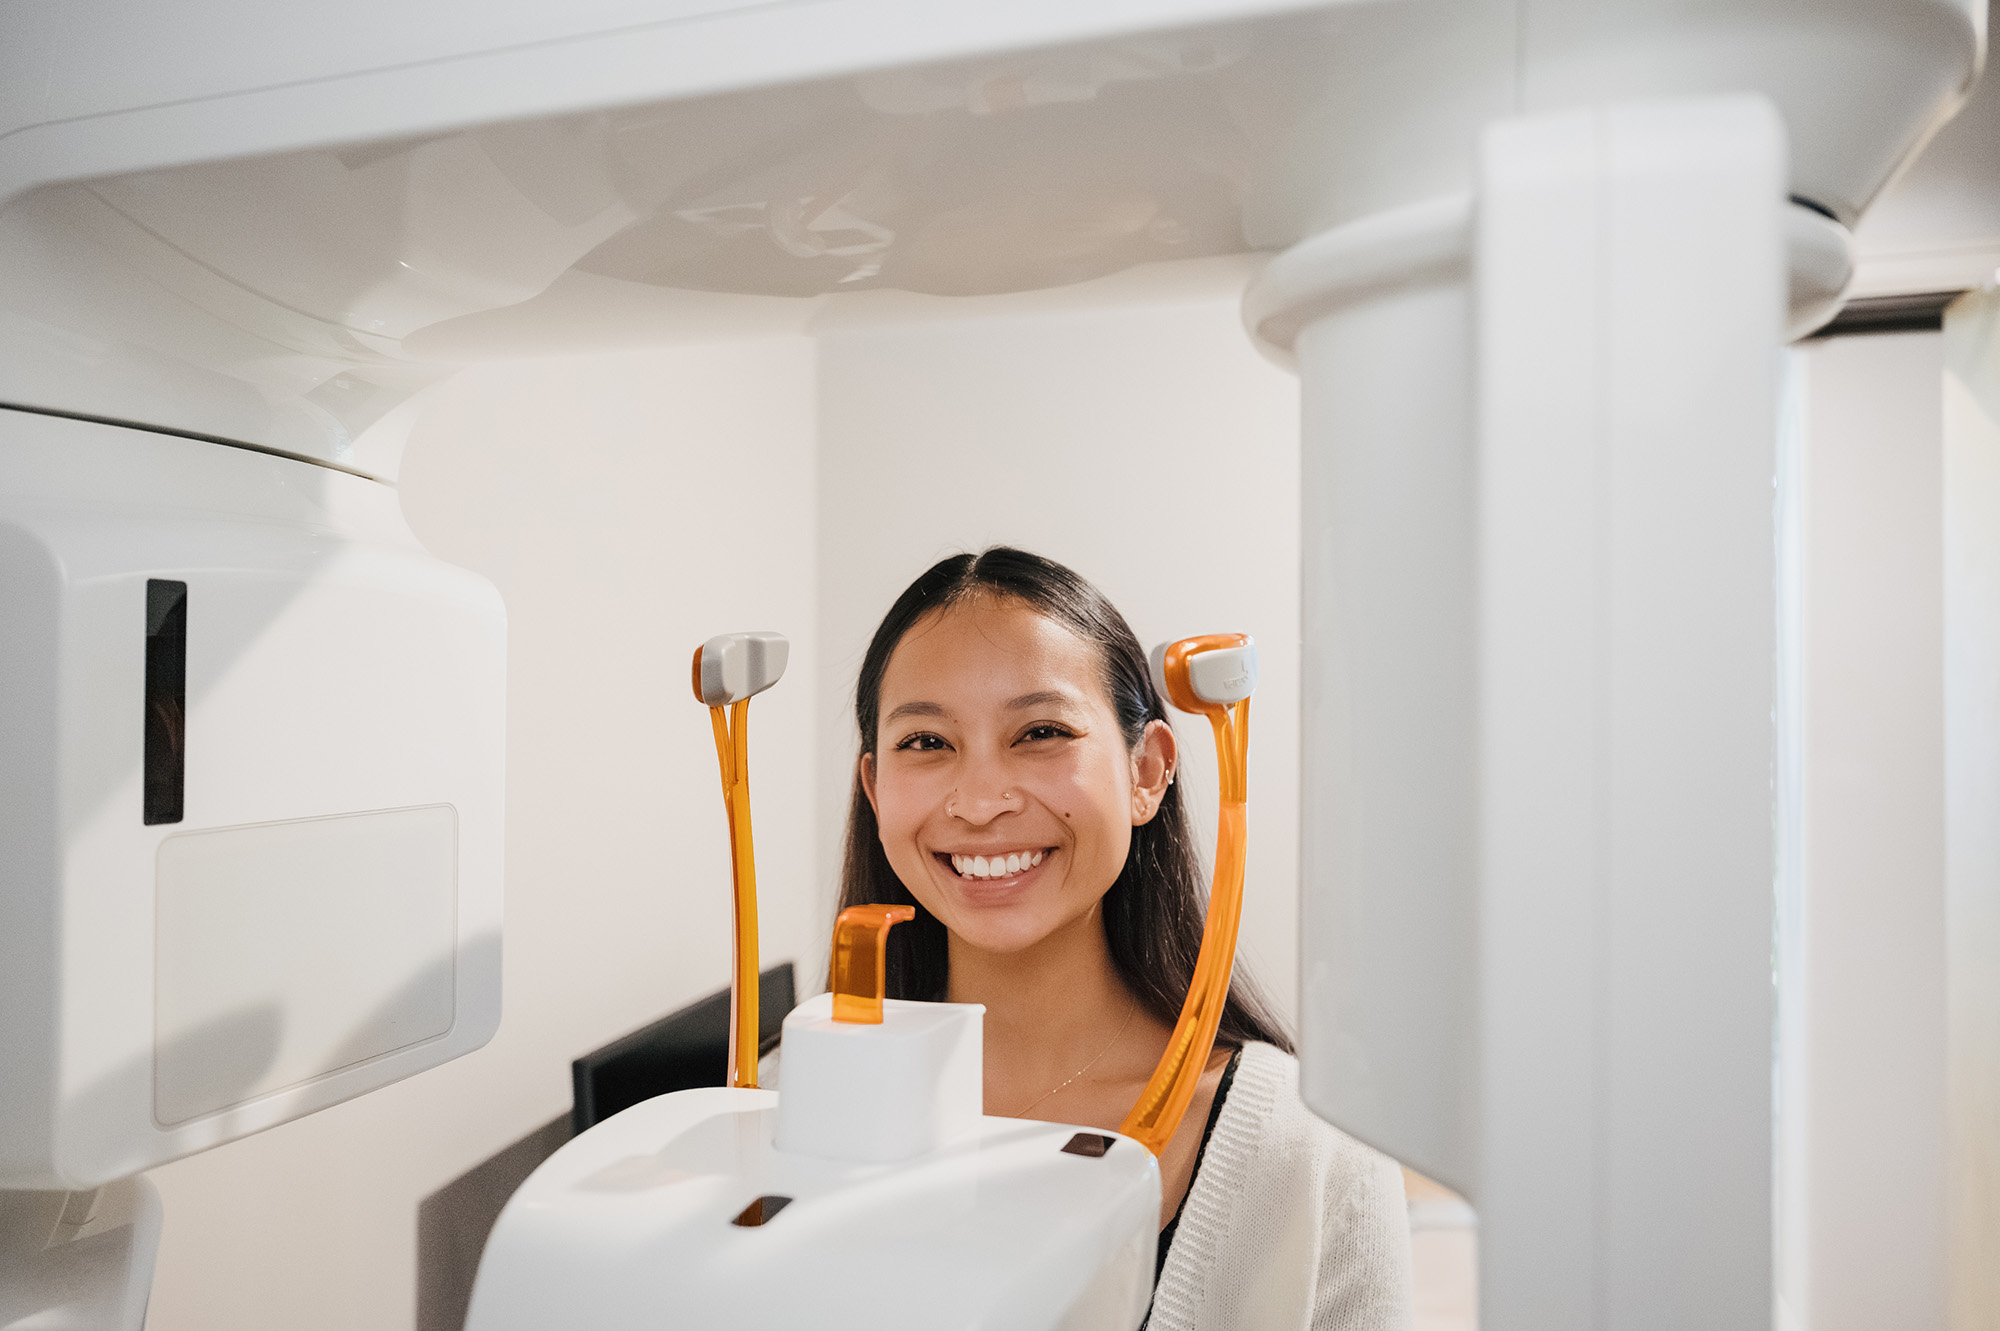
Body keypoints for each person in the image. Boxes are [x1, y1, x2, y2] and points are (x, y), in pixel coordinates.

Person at [831, 546, 1414, 1331]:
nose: (979, 800)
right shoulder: (777, 1102)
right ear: (875, 788)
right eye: (927, 742)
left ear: (1147, 771)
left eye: (1040, 730)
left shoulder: (1313, 1153)